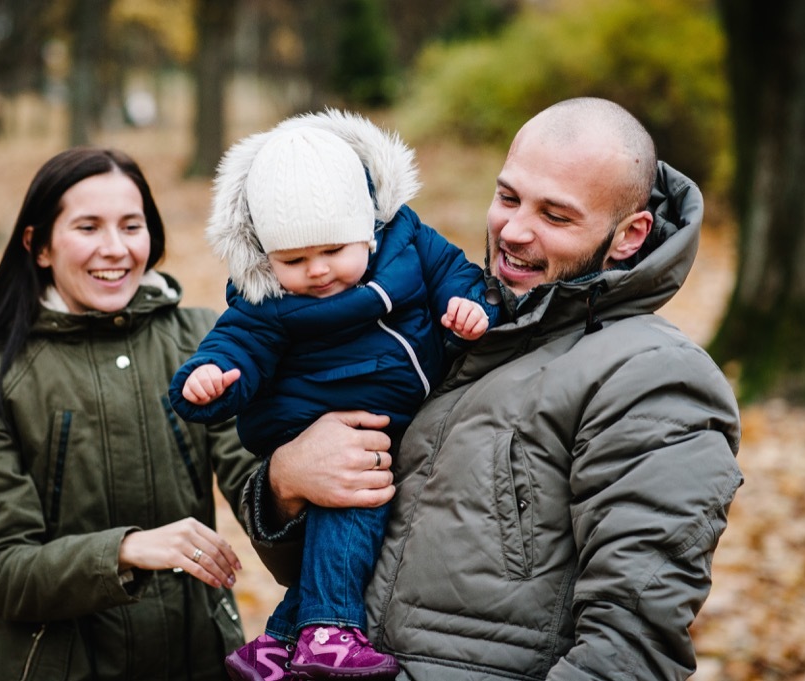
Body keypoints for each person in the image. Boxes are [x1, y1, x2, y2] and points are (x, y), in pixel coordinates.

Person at [241, 97, 745, 680]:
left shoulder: (653, 376)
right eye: (508, 198)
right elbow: (324, 568)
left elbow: (630, 651)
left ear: (630, 234)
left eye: (555, 217)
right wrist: (285, 484)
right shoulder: (448, 328)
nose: (514, 230)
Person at [167, 110, 498, 681]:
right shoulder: (267, 299)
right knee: (351, 508)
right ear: (268, 258)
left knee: (346, 535)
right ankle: (329, 634)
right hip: (327, 422)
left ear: (368, 228)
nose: (317, 272)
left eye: (332, 251)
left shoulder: (411, 242)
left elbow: (458, 274)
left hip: (390, 417)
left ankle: (276, 642)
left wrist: (471, 309)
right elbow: (237, 343)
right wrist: (209, 378)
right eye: (293, 260)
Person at [0, 147, 260, 680]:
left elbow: (257, 482)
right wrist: (126, 550)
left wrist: (294, 478)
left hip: (200, 657)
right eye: (88, 227)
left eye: (131, 226)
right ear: (38, 246)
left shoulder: (203, 341)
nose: (115, 249)